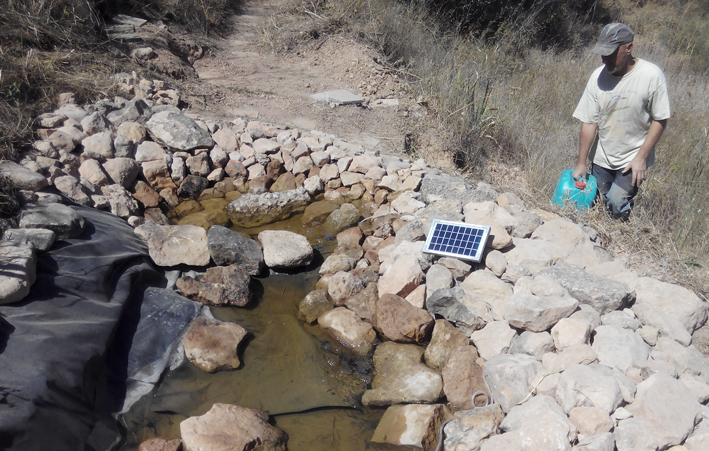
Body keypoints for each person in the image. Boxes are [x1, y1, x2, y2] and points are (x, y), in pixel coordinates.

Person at [572, 23, 671, 219]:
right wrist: (581, 163)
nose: (604, 59)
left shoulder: (651, 75)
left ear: (629, 48)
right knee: (598, 204)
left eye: (610, 53)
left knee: (617, 203)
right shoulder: (597, 78)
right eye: (602, 53)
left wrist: (641, 158)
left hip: (632, 157)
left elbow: (660, 119)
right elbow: (589, 122)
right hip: (602, 156)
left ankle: (621, 237)